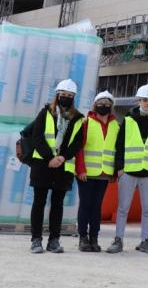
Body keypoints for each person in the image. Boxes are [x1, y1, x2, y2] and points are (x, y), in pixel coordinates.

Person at [107, 84, 148, 255]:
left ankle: (145, 241)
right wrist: (120, 169)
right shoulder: (128, 120)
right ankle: (118, 240)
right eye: (144, 100)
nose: (147, 103)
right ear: (139, 100)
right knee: (123, 208)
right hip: (128, 172)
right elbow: (120, 145)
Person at [29, 79, 84, 254]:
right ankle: (36, 240)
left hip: (63, 165)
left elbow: (77, 142)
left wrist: (62, 157)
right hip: (43, 165)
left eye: (70, 96)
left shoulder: (78, 118)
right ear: (57, 95)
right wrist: (50, 157)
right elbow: (37, 136)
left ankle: (54, 240)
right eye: (63, 95)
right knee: (39, 202)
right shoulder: (45, 113)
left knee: (57, 204)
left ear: (73, 97)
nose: (66, 98)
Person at [75, 90, 118, 253]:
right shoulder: (86, 122)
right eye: (100, 104)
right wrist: (80, 169)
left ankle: (94, 238)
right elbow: (79, 148)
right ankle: (83, 238)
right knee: (85, 204)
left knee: (97, 206)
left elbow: (116, 150)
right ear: (95, 105)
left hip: (104, 173)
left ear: (111, 106)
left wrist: (113, 173)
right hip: (86, 173)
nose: (104, 106)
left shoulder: (115, 125)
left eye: (107, 104)